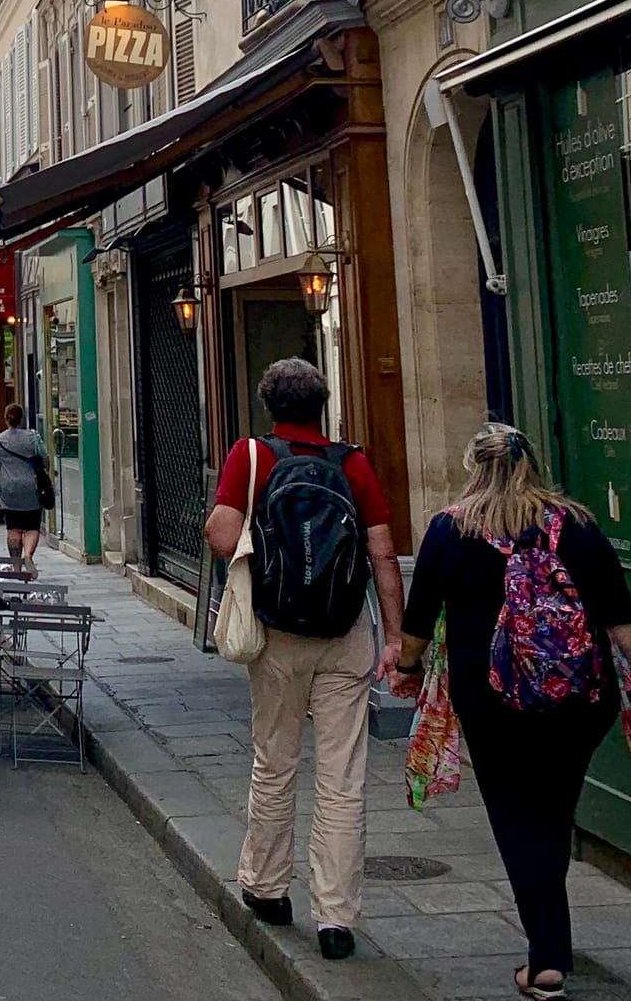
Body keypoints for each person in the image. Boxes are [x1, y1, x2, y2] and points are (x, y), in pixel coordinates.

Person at [392, 425, 631, 1000]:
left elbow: (418, 618)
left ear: (471, 466)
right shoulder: (577, 525)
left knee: (515, 816)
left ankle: (547, 956)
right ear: (530, 464)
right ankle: (550, 937)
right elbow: (621, 618)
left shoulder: (449, 529)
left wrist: (407, 669)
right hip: (579, 697)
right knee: (554, 811)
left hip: (491, 699)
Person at [204, 357, 404, 964]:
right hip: (345, 635)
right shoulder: (353, 463)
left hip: (278, 634)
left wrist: (258, 555)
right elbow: (385, 557)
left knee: (275, 759)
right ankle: (336, 918)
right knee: (342, 778)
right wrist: (396, 639)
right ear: (322, 403)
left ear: (271, 405)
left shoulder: (252, 457)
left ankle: (267, 887)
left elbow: (219, 531)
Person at [0, 406, 49, 573]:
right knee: (32, 526)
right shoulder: (33, 437)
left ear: (6, 419)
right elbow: (44, 459)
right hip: (31, 487)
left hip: (9, 490)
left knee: (13, 528)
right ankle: (28, 555)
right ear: (21, 419)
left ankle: (16, 566)